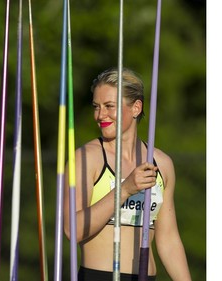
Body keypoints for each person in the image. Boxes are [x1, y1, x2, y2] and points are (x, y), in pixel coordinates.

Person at [63, 67, 192, 281]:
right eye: (96, 106)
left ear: (136, 107)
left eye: (109, 106)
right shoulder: (86, 158)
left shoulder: (161, 164)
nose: (100, 115)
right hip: (100, 276)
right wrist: (124, 190)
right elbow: (72, 230)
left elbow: (168, 239)